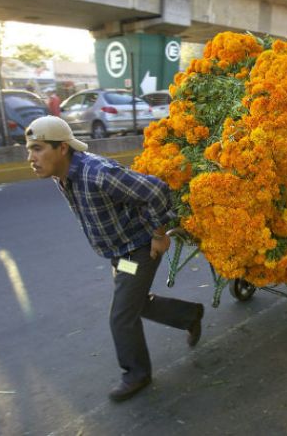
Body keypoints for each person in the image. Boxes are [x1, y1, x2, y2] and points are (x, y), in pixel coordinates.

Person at [24, 116, 204, 402]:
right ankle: (189, 315)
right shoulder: (62, 175)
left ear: (62, 149)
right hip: (121, 254)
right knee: (136, 304)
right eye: (29, 150)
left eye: (37, 148)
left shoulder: (97, 174)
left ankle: (137, 374)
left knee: (121, 316)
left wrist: (159, 235)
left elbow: (155, 189)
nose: (31, 158)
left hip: (140, 248)